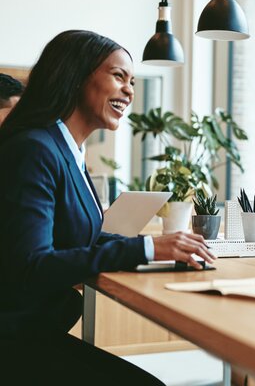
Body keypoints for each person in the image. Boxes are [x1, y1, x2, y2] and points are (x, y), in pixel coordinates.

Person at [0, 30, 216, 383]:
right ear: (75, 75)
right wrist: (146, 247)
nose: (130, 90)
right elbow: (31, 266)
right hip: (16, 341)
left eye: (132, 81)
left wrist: (159, 249)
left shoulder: (66, 149)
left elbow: (76, 239)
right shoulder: (35, 149)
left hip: (37, 331)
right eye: (118, 76)